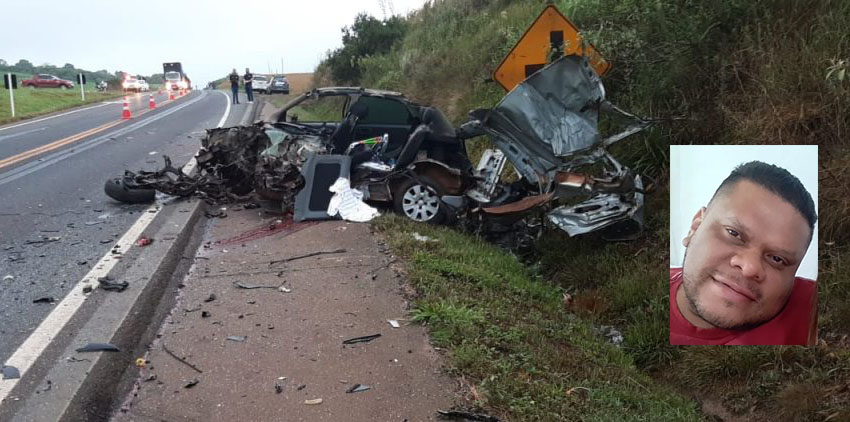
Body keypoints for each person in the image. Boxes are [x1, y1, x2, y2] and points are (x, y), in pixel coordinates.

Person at [671, 160, 817, 345]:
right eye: (734, 233)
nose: (749, 267)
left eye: (777, 259)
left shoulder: (810, 309)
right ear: (695, 226)